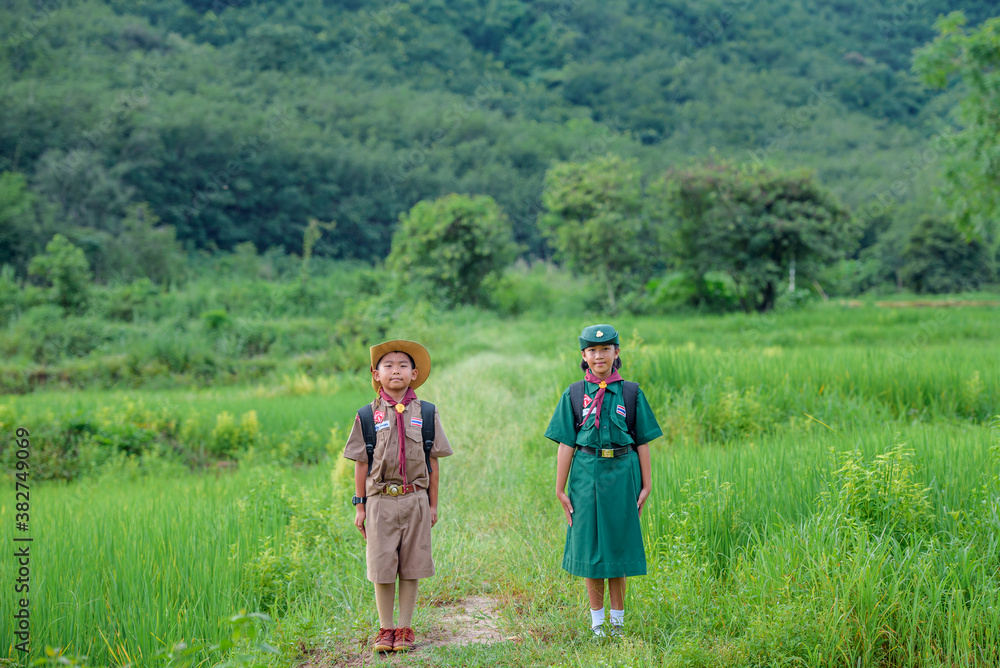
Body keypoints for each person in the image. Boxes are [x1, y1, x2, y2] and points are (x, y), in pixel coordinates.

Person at [545, 324, 662, 637]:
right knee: (590, 549)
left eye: (606, 349)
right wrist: (559, 488)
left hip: (623, 474)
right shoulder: (573, 394)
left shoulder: (631, 392)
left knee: (618, 547)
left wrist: (647, 484)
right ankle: (597, 623)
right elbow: (566, 444)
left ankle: (618, 623)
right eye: (593, 350)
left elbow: (643, 442)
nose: (599, 355)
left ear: (617, 353)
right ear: (584, 355)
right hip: (585, 475)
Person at [343, 339, 453, 654]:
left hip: (415, 498)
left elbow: (433, 461)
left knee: (412, 564)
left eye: (403, 365)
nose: (395, 371)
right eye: (388, 365)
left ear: (414, 373)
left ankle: (405, 626)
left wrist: (433, 504)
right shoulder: (367, 415)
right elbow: (361, 463)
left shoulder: (427, 412)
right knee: (381, 565)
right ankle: (385, 627)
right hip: (379, 500)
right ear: (375, 374)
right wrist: (360, 506)